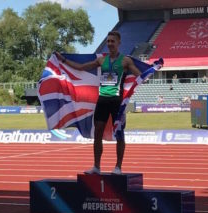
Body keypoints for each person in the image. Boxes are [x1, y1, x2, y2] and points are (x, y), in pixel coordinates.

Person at [55, 31, 142, 175]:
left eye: (112, 41)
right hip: (102, 101)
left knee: (119, 134)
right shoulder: (102, 60)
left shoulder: (126, 61)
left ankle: (118, 167)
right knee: (98, 133)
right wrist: (63, 60)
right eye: (108, 41)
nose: (109, 44)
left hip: (117, 102)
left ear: (119, 43)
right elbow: (81, 67)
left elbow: (139, 74)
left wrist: (151, 70)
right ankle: (96, 166)